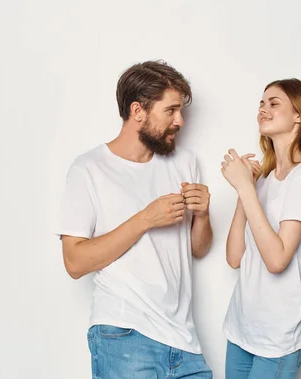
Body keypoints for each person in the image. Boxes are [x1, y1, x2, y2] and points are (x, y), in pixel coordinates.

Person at [58, 60, 213, 378]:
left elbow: (197, 249)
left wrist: (204, 215)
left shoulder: (186, 163)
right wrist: (145, 219)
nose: (180, 121)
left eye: (181, 111)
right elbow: (75, 262)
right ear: (137, 110)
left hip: (184, 340)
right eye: (170, 111)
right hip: (124, 336)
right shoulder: (88, 169)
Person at [220, 78, 301, 379]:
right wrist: (244, 190)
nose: (264, 109)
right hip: (241, 329)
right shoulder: (265, 179)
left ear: (299, 114)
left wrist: (246, 188)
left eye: (274, 103)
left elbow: (277, 260)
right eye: (261, 103)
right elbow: (234, 258)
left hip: (278, 339)